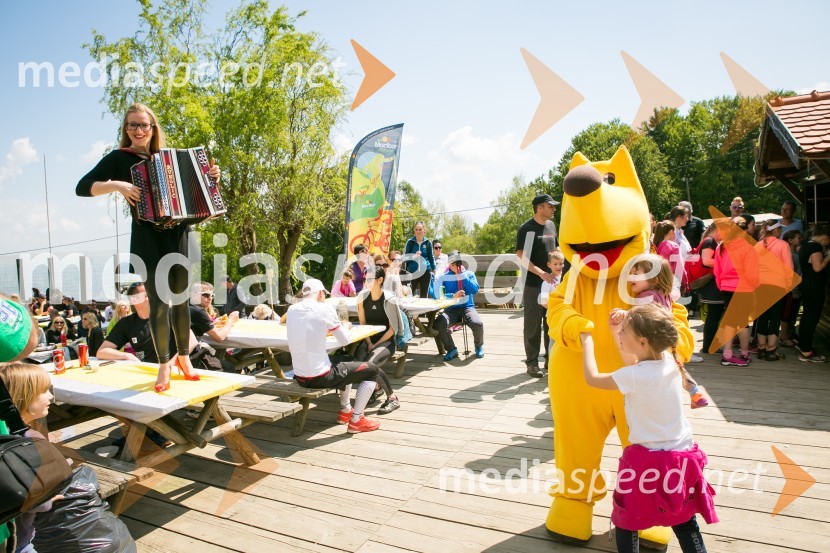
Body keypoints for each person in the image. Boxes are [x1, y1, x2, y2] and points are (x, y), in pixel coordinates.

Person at [76, 102, 216, 393]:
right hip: (147, 238)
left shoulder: (171, 159)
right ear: (126, 130)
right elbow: (82, 186)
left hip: (178, 234)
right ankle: (164, 365)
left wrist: (211, 179)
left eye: (143, 125)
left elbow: (200, 194)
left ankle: (184, 359)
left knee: (180, 303)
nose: (138, 130)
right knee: (158, 305)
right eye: (132, 125)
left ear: (153, 128)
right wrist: (117, 185)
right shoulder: (119, 158)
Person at [579, 304, 718, 553]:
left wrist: (586, 341)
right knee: (684, 520)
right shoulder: (669, 361)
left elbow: (591, 377)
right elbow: (635, 364)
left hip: (648, 461)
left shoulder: (635, 376)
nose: (621, 334)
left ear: (643, 342)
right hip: (682, 457)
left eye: (625, 332)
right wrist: (616, 330)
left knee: (627, 519)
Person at [286, 279, 400, 433]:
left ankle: (346, 410)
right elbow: (345, 340)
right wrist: (345, 326)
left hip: (299, 376)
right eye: (324, 294)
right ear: (320, 293)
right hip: (320, 377)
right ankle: (356, 420)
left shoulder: (292, 309)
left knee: (348, 360)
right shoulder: (324, 308)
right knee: (372, 369)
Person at [627, 254, 708, 407]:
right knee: (677, 367)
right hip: (668, 338)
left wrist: (625, 314)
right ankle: (695, 394)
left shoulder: (645, 296)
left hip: (654, 341)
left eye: (636, 274)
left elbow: (638, 317)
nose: (631, 277)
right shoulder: (663, 293)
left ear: (654, 279)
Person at [0, 362, 64, 553]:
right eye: (44, 391)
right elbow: (38, 500)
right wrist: (50, 499)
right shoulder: (27, 443)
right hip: (17, 540)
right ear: (23, 397)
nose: (51, 396)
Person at [96, 282, 198, 367]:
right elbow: (102, 351)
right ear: (133, 300)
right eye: (147, 295)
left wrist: (173, 362)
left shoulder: (169, 314)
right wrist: (127, 356)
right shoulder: (126, 323)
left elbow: (192, 341)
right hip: (149, 373)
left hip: (178, 370)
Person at [516, 193, 559, 377]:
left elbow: (556, 250)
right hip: (534, 284)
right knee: (533, 325)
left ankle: (551, 359)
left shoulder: (551, 225)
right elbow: (521, 256)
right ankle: (532, 363)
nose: (554, 209)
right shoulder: (527, 228)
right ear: (539, 207)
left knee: (551, 322)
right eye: (550, 206)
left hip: (552, 285)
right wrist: (541, 273)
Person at [355, 267, 404, 413]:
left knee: (370, 363)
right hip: (367, 339)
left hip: (386, 341)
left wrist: (376, 344)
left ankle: (392, 398)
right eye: (365, 279)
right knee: (356, 363)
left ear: (380, 280)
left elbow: (392, 329)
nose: (366, 282)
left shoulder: (389, 299)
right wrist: (369, 343)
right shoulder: (361, 297)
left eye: (369, 279)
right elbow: (362, 324)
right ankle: (376, 388)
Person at [714, 217, 759, 367]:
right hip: (744, 288)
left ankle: (727, 353)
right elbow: (752, 274)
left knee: (730, 322)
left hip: (726, 287)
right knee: (742, 324)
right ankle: (743, 353)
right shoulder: (748, 248)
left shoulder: (721, 247)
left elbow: (717, 271)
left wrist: (721, 285)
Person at [433, 251, 485, 360]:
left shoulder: (469, 274)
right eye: (451, 264)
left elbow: (474, 289)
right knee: (439, 323)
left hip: (467, 307)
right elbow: (438, 295)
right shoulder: (444, 277)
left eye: (456, 263)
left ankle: (478, 346)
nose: (454, 266)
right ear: (449, 264)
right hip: (451, 309)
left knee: (478, 323)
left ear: (460, 263)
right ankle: (451, 349)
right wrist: (453, 296)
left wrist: (463, 276)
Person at [754, 220, 794, 361]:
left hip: (760, 287)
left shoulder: (758, 246)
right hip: (777, 286)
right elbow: (788, 267)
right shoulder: (783, 245)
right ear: (776, 230)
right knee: (775, 318)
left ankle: (761, 348)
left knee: (763, 318)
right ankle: (771, 350)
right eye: (779, 229)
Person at [797, 227, 830, 362]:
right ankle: (806, 351)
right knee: (812, 317)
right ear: (824, 237)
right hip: (814, 287)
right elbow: (818, 268)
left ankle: (803, 345)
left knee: (806, 316)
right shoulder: (815, 247)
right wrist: (828, 256)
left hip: (806, 284)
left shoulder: (804, 246)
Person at [696, 223, 726, 356]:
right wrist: (725, 263)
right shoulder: (710, 241)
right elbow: (706, 261)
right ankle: (708, 346)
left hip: (711, 283)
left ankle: (709, 345)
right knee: (714, 315)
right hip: (711, 284)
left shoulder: (708, 240)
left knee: (713, 315)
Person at [538, 250, 564, 363]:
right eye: (555, 264)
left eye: (561, 263)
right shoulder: (547, 282)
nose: (558, 266)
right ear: (549, 265)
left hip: (567, 313)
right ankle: (551, 364)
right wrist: (555, 309)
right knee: (553, 341)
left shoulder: (567, 278)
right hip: (554, 315)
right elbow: (543, 301)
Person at [779, 229, 803, 348]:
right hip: (790, 289)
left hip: (796, 288)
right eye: (798, 237)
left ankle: (788, 335)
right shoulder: (790, 255)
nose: (801, 239)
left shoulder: (795, 254)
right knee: (787, 313)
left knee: (792, 313)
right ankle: (783, 337)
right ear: (790, 240)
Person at [404, 222, 435, 298]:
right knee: (409, 293)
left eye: (420, 229)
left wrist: (434, 269)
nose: (418, 231)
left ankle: (424, 310)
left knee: (424, 295)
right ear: (414, 231)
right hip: (413, 271)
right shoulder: (410, 242)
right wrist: (414, 256)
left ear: (424, 231)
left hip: (425, 271)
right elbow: (404, 257)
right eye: (416, 229)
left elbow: (431, 257)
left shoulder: (428, 243)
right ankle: (408, 309)